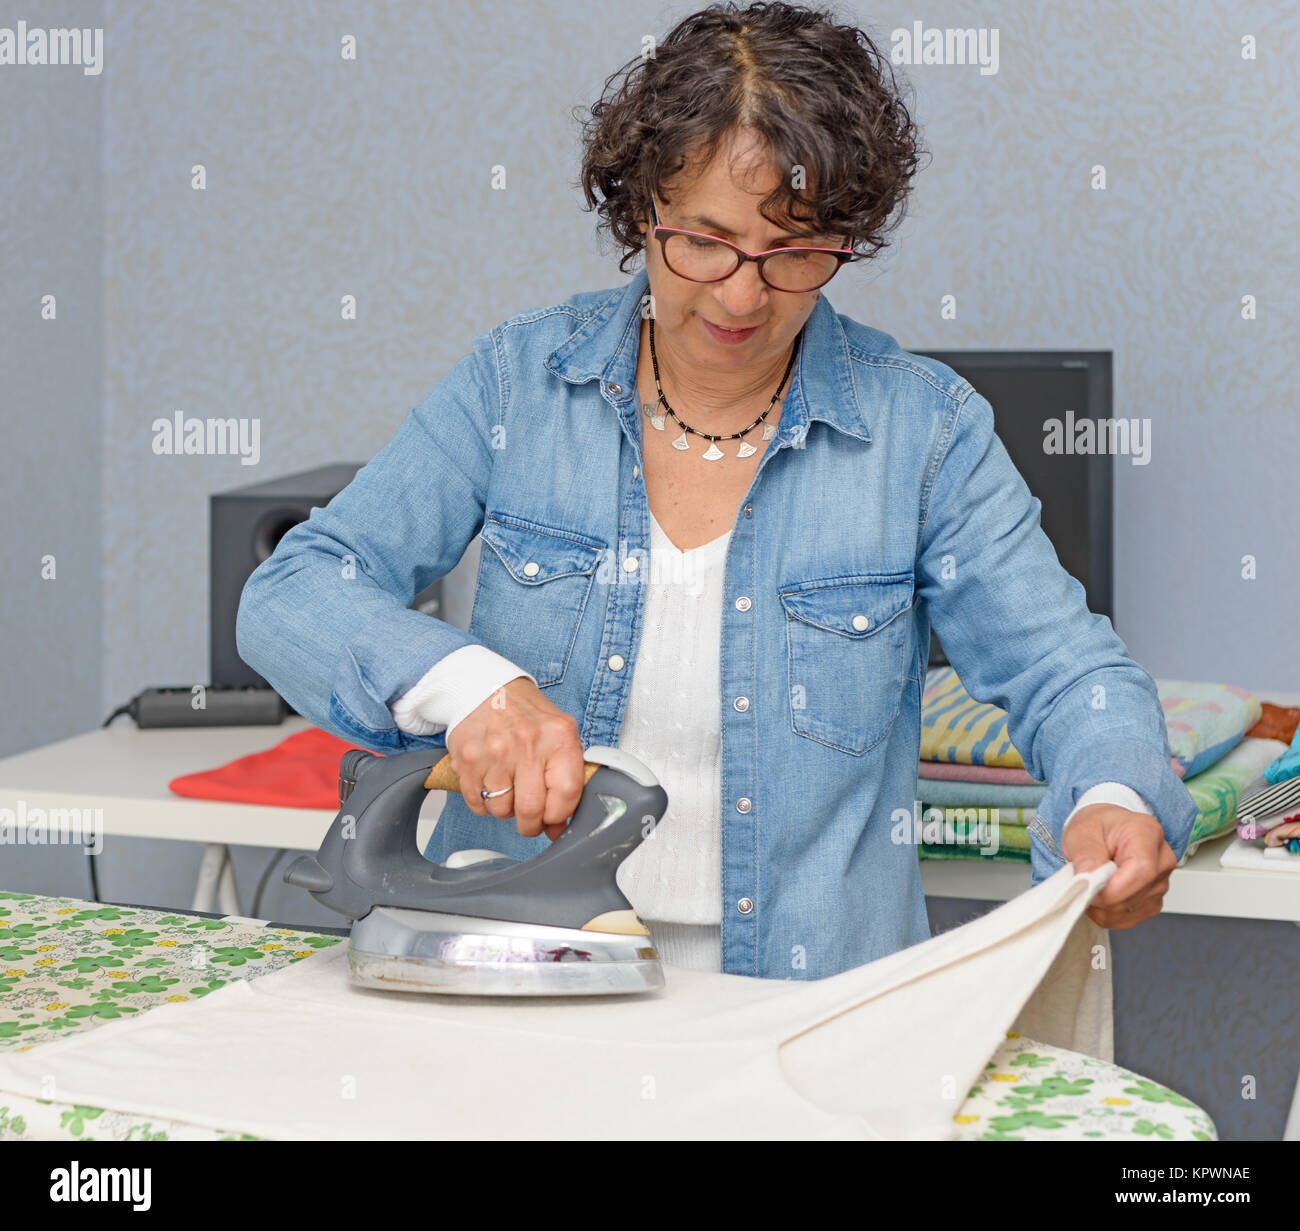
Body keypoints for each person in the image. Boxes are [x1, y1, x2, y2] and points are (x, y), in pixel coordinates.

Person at [237, 1, 1191, 980]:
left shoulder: (925, 433)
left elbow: (1067, 673)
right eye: (703, 241)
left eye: (794, 252)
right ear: (641, 210)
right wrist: (475, 688)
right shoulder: (515, 384)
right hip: (519, 983)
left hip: (805, 1008)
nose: (741, 295)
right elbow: (293, 591)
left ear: (848, 235)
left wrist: (1110, 795)